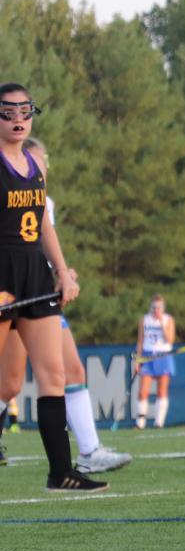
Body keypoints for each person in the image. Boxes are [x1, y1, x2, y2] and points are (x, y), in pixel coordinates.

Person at [0, 140, 131, 474]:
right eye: (39, 160)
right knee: (11, 384)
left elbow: (46, 238)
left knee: (69, 370)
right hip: (15, 290)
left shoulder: (43, 197)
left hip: (40, 292)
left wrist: (61, 271)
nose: (42, 167)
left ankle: (87, 452)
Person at [0, 85, 98, 490]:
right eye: (8, 112)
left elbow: (42, 224)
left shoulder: (33, 164)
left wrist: (62, 271)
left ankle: (61, 471)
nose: (18, 118)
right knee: (5, 382)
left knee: (53, 373)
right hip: (2, 273)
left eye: (25, 110)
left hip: (34, 274)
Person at [134, 294, 176, 428]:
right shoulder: (144, 320)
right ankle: (140, 423)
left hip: (163, 356)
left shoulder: (168, 320)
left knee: (162, 391)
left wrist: (161, 325)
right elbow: (140, 341)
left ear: (163, 308)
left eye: (159, 307)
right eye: (154, 307)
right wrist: (137, 360)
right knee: (143, 391)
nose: (156, 310)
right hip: (147, 356)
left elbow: (170, 340)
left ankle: (159, 422)